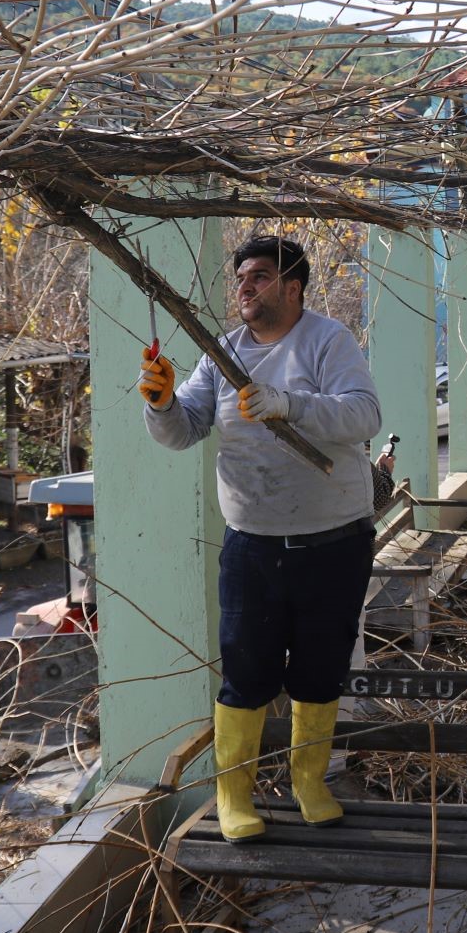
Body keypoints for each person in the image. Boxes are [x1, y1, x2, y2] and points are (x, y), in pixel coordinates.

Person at [138, 235, 381, 841]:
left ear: (292, 287)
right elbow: (182, 430)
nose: (244, 286)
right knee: (246, 671)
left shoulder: (328, 341)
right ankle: (234, 795)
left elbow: (364, 415)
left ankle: (309, 782)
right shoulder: (222, 354)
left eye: (260, 276)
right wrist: (162, 402)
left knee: (322, 668)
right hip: (254, 544)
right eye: (241, 276)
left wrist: (289, 405)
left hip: (334, 540)